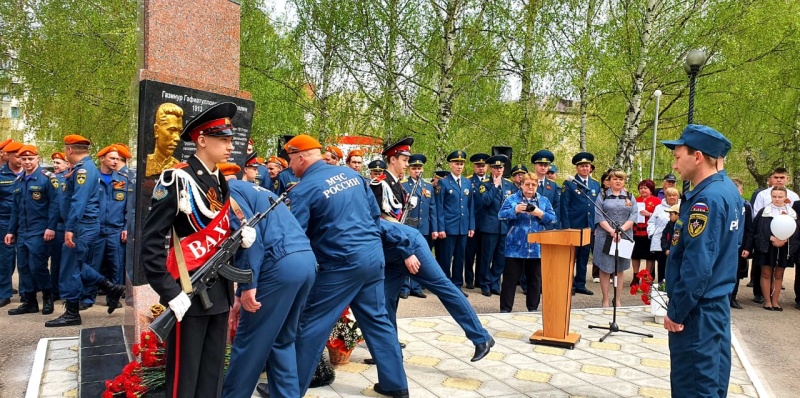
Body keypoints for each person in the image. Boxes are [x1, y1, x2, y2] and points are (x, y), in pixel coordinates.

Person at [283, 134, 409, 397]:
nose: (290, 167)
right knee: (378, 321)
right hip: (373, 258)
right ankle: (395, 385)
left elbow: (295, 237)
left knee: (312, 326)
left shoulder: (304, 189)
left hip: (340, 265)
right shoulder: (353, 176)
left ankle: (288, 391)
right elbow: (375, 215)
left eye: (291, 161)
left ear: (302, 157)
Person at [141, 103, 241, 396]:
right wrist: (170, 292)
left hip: (219, 290)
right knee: (185, 376)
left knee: (211, 371)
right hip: (188, 291)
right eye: (223, 139)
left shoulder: (220, 179)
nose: (229, 146)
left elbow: (216, 229)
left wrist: (238, 235)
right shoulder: (176, 179)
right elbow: (151, 242)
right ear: (201, 140)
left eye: (229, 139)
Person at [661, 124, 743, 397]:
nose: (674, 165)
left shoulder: (705, 200)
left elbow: (698, 265)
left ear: (697, 156)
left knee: (693, 386)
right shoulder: (728, 190)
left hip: (698, 310)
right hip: (715, 305)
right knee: (711, 382)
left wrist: (677, 311)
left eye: (677, 156)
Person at [221, 177, 316, 398]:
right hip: (305, 262)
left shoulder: (227, 192)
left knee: (249, 343)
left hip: (279, 267)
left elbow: (248, 238)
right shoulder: (258, 190)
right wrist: (239, 294)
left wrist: (248, 287)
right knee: (283, 340)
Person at [379, 220, 495, 361]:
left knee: (443, 288)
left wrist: (408, 254)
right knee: (383, 301)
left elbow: (391, 230)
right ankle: (390, 353)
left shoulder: (355, 219)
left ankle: (481, 338)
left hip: (410, 248)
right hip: (391, 258)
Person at [45, 135, 125, 327]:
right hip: (81, 225)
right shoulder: (81, 169)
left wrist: (70, 228)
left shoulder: (84, 171)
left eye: (65, 150)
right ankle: (110, 287)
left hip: (81, 226)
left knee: (70, 268)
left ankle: (72, 313)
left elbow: (78, 201)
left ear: (70, 150)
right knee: (77, 265)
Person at [5, 145, 59, 316]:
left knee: (37, 266)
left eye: (31, 158)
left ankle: (47, 297)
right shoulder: (19, 181)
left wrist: (51, 227)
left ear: (37, 159)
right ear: (19, 160)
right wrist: (10, 231)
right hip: (23, 231)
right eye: (24, 159)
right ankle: (29, 301)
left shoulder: (47, 179)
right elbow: (15, 209)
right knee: (23, 267)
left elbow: (55, 205)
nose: (27, 162)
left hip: (40, 230)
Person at [498, 172, 556, 312]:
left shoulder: (543, 201)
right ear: (521, 185)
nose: (530, 187)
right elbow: (500, 215)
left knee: (534, 280)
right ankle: (505, 309)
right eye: (527, 184)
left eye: (533, 185)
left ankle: (533, 308)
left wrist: (539, 213)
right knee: (510, 280)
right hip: (515, 246)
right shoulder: (512, 199)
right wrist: (515, 210)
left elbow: (553, 219)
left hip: (536, 247)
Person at [85, 145, 128, 310]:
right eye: (112, 158)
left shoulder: (123, 179)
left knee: (116, 266)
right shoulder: (91, 177)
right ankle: (88, 298)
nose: (115, 161)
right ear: (102, 159)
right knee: (93, 264)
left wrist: (126, 226)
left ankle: (113, 298)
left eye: (117, 158)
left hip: (116, 230)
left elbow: (128, 206)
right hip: (96, 229)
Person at [592, 170, 637, 307]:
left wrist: (621, 230)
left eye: (621, 179)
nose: (618, 181)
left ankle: (617, 299)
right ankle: (605, 299)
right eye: (615, 179)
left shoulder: (629, 196)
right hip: (605, 235)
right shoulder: (603, 195)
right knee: (605, 268)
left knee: (620, 268)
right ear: (609, 181)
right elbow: (599, 215)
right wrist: (612, 231)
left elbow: (633, 215)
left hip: (623, 236)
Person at [750, 186, 797, 311]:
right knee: (766, 273)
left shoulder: (792, 213)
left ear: (785, 197)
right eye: (774, 196)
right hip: (767, 246)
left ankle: (775, 301)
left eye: (780, 197)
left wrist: (785, 239)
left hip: (784, 247)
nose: (777, 199)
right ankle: (767, 301)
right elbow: (757, 231)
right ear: (771, 197)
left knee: (779, 274)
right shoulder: (764, 212)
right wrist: (771, 238)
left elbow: (796, 231)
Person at [560, 152, 600, 296]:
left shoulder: (595, 184)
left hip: (588, 226)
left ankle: (580, 284)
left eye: (587, 166)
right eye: (582, 166)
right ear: (577, 168)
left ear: (590, 168)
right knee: (571, 257)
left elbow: (596, 206)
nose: (584, 169)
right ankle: (569, 284)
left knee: (584, 256)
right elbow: (564, 206)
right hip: (573, 226)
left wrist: (595, 226)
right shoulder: (569, 184)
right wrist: (566, 226)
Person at [436, 150, 475, 295]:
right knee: (446, 257)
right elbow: (439, 207)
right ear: (451, 164)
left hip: (463, 227)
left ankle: (457, 285)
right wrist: (441, 228)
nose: (459, 167)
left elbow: (470, 205)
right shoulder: (444, 183)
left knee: (460, 257)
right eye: (456, 164)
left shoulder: (467, 182)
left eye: (461, 164)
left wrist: (471, 226)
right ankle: (446, 285)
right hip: (448, 226)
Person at [476, 155, 516, 296]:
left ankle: (495, 283)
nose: (498, 170)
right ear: (491, 169)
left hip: (504, 227)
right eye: (495, 168)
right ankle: (485, 283)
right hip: (490, 227)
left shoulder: (509, 185)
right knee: (487, 257)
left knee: (500, 257)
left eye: (500, 168)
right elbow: (485, 202)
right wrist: (495, 186)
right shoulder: (485, 184)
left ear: (503, 169)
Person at [399, 154, 436, 299]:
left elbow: (432, 209)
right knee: (406, 256)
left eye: (419, 168)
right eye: (414, 168)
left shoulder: (428, 186)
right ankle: (404, 287)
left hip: (423, 227)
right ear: (409, 170)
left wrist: (435, 228)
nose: (417, 171)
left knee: (420, 258)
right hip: (408, 227)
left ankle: (416, 286)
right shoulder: (403, 185)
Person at [0, 140, 23, 308]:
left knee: (27, 259)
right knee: (5, 259)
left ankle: (27, 292)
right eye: (17, 156)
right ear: (8, 156)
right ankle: (4, 292)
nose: (21, 159)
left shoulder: (31, 174)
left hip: (27, 222)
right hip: (5, 221)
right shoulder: (1, 174)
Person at [371, 138, 413, 221]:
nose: (407, 164)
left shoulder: (396, 182)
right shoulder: (380, 183)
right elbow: (375, 215)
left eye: (407, 161)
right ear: (393, 160)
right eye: (404, 160)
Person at [465, 153, 489, 290]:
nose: (481, 168)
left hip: (486, 224)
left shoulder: (491, 181)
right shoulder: (469, 181)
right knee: (469, 252)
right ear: (474, 167)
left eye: (483, 166)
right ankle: (469, 279)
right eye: (478, 166)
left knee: (482, 253)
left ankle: (480, 279)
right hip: (472, 222)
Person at [647, 187, 680, 283]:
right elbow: (651, 222)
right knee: (661, 265)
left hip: (675, 241)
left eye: (674, 195)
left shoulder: (681, 207)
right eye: (669, 195)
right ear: (665, 196)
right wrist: (652, 233)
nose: (672, 197)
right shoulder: (659, 207)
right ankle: (661, 285)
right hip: (659, 241)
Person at [48, 152, 69, 300]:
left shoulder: (70, 178)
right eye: (54, 163)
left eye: (58, 162)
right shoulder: (51, 179)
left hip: (68, 225)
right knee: (55, 261)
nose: (55, 165)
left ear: (67, 164)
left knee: (68, 262)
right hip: (56, 225)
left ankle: (66, 290)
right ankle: (54, 290)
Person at [631, 179, 661, 285]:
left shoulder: (657, 201)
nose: (643, 190)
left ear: (651, 189)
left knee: (649, 255)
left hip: (649, 232)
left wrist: (649, 214)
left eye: (645, 188)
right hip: (636, 231)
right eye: (641, 188)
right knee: (635, 254)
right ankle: (635, 276)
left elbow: (660, 217)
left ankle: (647, 277)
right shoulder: (635, 200)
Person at [730, 178, 752, 310]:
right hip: (724, 244)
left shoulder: (746, 206)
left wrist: (747, 247)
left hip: (739, 246)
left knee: (736, 273)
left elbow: (750, 228)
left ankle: (733, 297)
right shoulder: (724, 203)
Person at [145, 102, 183, 177]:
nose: (177, 138)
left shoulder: (178, 166)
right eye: (172, 130)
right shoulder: (148, 162)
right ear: (156, 130)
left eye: (179, 132)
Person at [531, 150, 560, 229]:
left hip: (548, 225)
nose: (543, 167)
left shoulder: (552, 185)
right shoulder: (528, 182)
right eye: (540, 165)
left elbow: (556, 206)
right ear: (535, 166)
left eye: (545, 165)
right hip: (531, 225)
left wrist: (555, 225)